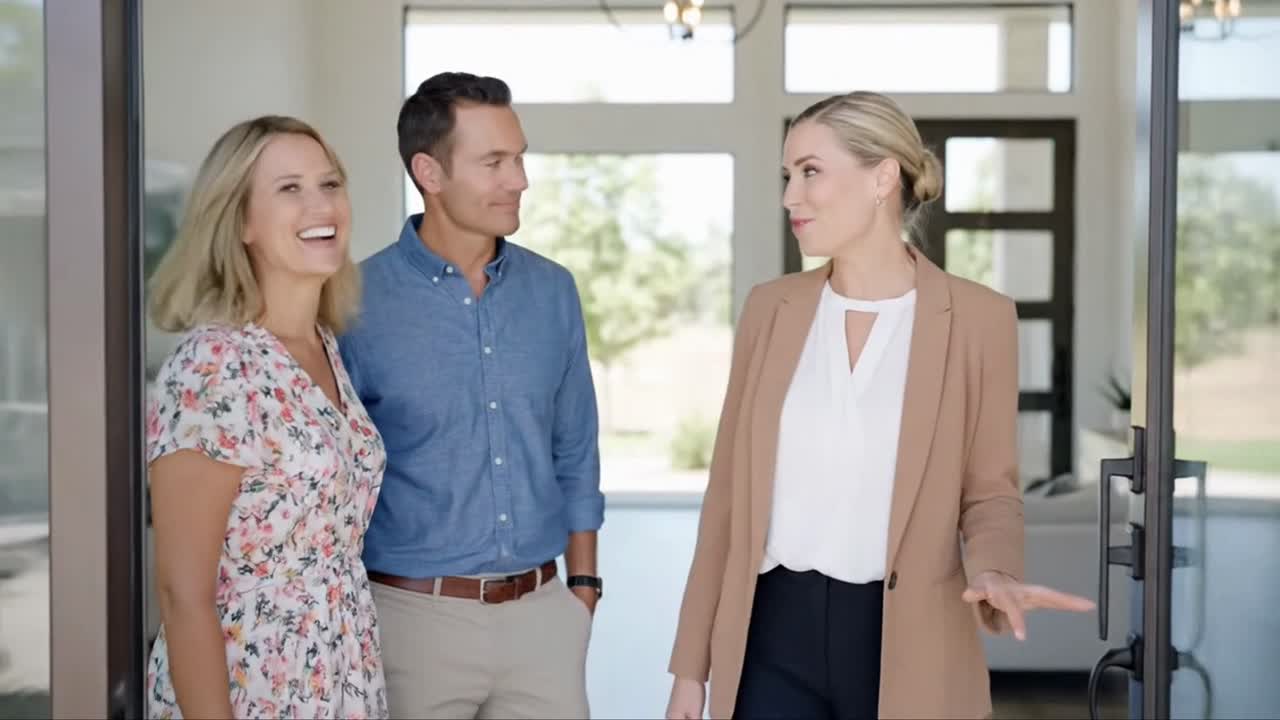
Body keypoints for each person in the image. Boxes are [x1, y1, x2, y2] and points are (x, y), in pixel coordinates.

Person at [664, 91, 1095, 720]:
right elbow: (726, 500)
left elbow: (990, 490)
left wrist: (997, 568)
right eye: (789, 176)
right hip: (770, 634)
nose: (791, 196)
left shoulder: (979, 319)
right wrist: (689, 672)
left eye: (811, 171)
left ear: (882, 176)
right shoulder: (770, 310)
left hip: (907, 637)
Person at [337, 71, 603, 719]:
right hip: (409, 622)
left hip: (543, 618)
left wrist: (585, 588)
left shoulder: (553, 292)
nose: (519, 180)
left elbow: (576, 446)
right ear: (429, 171)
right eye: (494, 163)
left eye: (519, 158)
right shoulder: (350, 303)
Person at [144, 116, 388, 719]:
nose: (320, 204)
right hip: (251, 689)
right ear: (242, 221)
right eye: (290, 189)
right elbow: (183, 595)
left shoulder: (324, 346)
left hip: (342, 675)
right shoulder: (215, 367)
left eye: (330, 184)